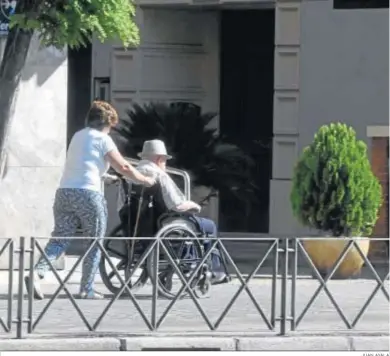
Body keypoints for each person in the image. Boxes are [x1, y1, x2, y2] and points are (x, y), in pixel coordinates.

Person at [25, 100, 155, 300]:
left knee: (60, 238)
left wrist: (106, 176)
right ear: (108, 123)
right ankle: (87, 289)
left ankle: (37, 272)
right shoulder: (103, 139)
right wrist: (145, 180)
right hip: (89, 195)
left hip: (65, 193)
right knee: (94, 242)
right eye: (110, 128)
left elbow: (85, 166)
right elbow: (124, 167)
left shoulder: (78, 136)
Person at [118, 139, 230, 284]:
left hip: (138, 227)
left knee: (198, 225)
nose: (165, 163)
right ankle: (215, 270)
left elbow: (121, 206)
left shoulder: (129, 177)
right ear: (159, 159)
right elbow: (176, 205)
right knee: (209, 226)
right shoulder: (159, 175)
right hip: (165, 222)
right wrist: (194, 205)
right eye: (165, 160)